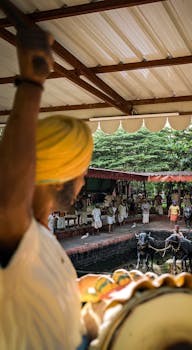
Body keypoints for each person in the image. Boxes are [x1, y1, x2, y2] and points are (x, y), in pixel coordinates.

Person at [0, 27, 93, 349]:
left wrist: (78, 288)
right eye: (82, 172)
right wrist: (31, 85)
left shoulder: (38, 235)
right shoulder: (15, 230)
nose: (83, 182)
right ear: (60, 174)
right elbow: (8, 196)